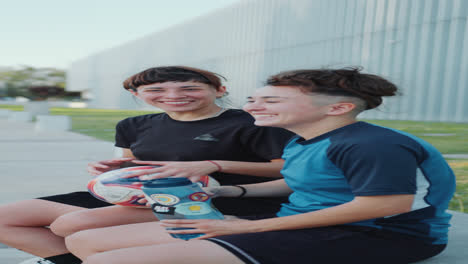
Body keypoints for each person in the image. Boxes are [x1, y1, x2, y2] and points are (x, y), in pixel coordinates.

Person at [65, 68, 455, 264]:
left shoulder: (374, 144)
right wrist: (225, 191)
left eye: (270, 101)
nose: (252, 107)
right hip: (305, 221)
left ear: (338, 108)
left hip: (374, 236)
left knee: (111, 261)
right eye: (254, 99)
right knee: (85, 242)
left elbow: (383, 206)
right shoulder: (305, 140)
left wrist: (247, 225)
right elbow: (296, 185)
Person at [0, 66, 294, 264]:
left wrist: (212, 165)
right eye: (156, 91)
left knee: (70, 226)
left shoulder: (252, 123)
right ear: (136, 96)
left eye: (188, 88)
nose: (174, 96)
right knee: (6, 218)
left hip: (211, 200)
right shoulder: (133, 124)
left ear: (219, 89)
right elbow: (134, 165)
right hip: (137, 197)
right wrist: (115, 169)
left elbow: (287, 171)